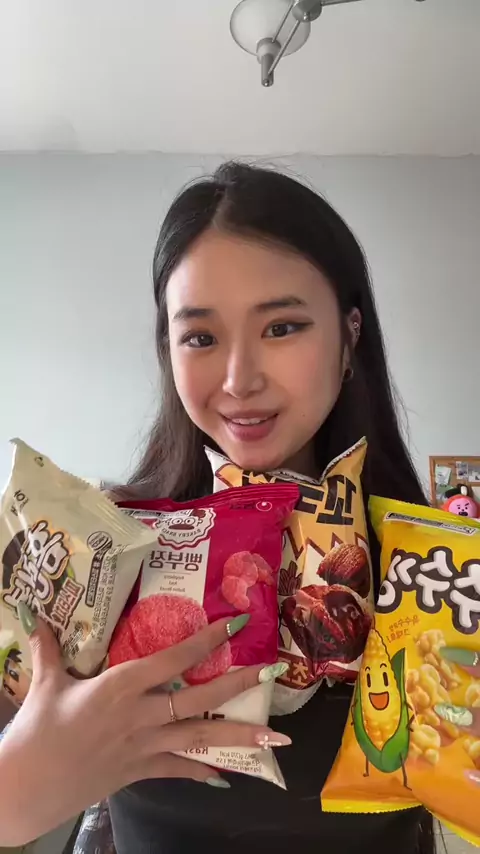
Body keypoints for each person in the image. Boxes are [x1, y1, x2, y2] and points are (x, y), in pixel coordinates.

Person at [1, 162, 478, 852]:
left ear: (350, 335)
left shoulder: (435, 571)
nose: (239, 379)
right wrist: (18, 794)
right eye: (200, 337)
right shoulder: (99, 551)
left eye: (282, 327)